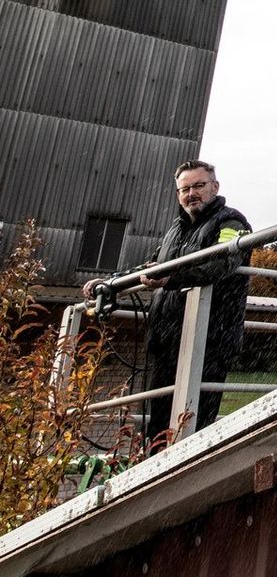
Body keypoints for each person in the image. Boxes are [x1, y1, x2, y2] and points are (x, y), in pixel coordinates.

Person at [86, 160, 252, 447]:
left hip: (209, 341)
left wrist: (171, 277)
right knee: (158, 429)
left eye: (199, 186)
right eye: (184, 189)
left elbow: (222, 263)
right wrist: (109, 282)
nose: (191, 194)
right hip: (166, 340)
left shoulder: (232, 223)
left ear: (215, 187)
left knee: (194, 428)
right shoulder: (174, 230)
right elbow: (149, 267)